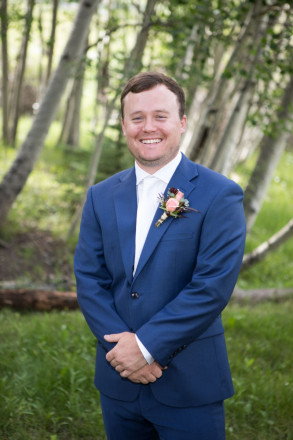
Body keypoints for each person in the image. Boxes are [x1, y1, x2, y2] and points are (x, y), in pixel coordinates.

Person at [74, 71, 246, 440]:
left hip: (190, 384)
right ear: (124, 125)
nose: (147, 127)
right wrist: (122, 351)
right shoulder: (100, 196)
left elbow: (211, 288)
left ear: (182, 122)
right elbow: (89, 278)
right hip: (117, 379)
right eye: (137, 117)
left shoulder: (220, 194)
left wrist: (146, 348)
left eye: (160, 116)